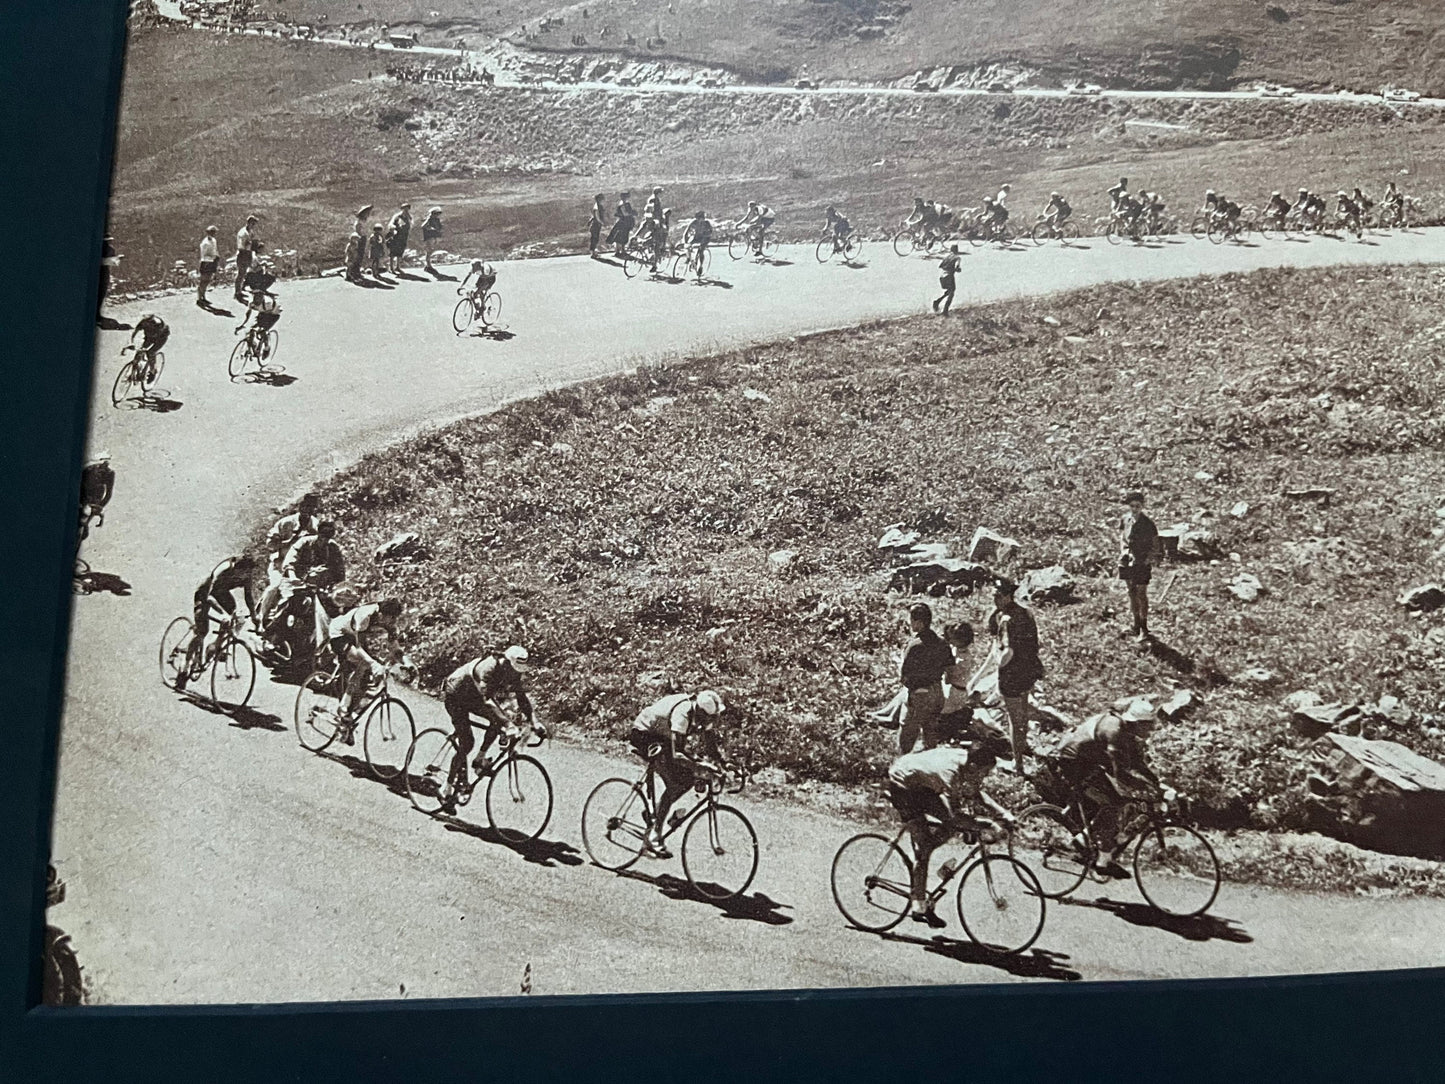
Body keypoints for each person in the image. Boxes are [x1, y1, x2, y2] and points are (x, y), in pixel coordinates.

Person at [886, 726, 1014, 925]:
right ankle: (918, 903)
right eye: (983, 774)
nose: (983, 778)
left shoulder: (969, 760)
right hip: (903, 784)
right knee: (932, 840)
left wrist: (1003, 814)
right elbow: (955, 815)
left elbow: (975, 793)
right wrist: (986, 824)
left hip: (922, 781)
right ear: (973, 768)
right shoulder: (951, 773)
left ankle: (920, 859)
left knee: (954, 825)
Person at [1054, 699, 1164, 877]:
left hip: (1089, 759)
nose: (1151, 730)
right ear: (1136, 723)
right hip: (1073, 761)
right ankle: (1099, 856)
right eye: (1148, 726)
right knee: (1114, 802)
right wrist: (1143, 788)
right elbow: (1119, 771)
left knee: (1120, 799)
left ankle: (1092, 842)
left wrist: (1155, 783)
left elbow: (1137, 763)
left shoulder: (1127, 731)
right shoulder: (1114, 732)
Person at [438, 647, 545, 814]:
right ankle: (446, 788)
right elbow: (488, 700)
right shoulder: (487, 668)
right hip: (455, 695)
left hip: (474, 698)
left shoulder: (512, 670)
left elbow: (521, 697)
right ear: (506, 662)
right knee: (467, 743)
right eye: (512, 669)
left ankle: (479, 759)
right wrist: (508, 726)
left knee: (500, 719)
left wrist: (534, 722)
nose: (514, 673)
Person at [629, 689, 726, 856]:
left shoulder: (702, 713)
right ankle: (653, 835)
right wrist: (701, 767)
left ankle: (653, 814)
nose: (712, 721)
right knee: (676, 781)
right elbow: (677, 755)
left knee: (687, 779)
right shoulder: (683, 713)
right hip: (645, 735)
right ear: (701, 713)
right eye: (710, 718)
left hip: (662, 736)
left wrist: (724, 763)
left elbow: (710, 743)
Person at [177, 553, 260, 690]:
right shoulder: (224, 570)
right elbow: (209, 596)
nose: (246, 577)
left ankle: (214, 647)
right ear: (236, 568)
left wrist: (254, 615)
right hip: (205, 593)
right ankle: (184, 668)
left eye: (248, 574)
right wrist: (222, 614)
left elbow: (248, 596)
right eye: (243, 574)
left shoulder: (247, 574)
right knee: (202, 632)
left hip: (222, 593)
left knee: (236, 619)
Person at [987, 580, 1043, 768]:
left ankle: (1017, 763)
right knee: (1023, 712)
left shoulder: (1006, 619)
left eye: (998, 596)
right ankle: (1023, 744)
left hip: (1012, 674)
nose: (995, 599)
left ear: (1007, 596)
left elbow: (1007, 652)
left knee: (1014, 718)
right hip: (1028, 669)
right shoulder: (1026, 612)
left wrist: (997, 662)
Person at [327, 598, 404, 726]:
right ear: (381, 615)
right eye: (392, 618)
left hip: (355, 636)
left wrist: (407, 663)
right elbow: (358, 647)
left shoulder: (387, 618)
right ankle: (343, 706)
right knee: (365, 663)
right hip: (339, 634)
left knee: (366, 679)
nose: (394, 622)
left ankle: (347, 720)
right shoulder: (365, 615)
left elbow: (395, 647)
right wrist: (374, 665)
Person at [897, 602, 954, 753]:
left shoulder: (915, 645)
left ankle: (903, 766)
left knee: (907, 735)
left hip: (920, 694)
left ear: (919, 623)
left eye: (911, 620)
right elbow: (950, 671)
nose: (909, 624)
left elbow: (904, 676)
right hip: (937, 692)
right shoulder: (943, 643)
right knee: (930, 733)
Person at [1118, 491, 1160, 642]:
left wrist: (1147, 560)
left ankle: (1144, 627)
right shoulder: (1125, 519)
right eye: (1132, 506)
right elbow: (1122, 537)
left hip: (1141, 562)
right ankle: (1135, 625)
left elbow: (1156, 546)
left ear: (1142, 506)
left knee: (1141, 594)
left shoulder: (1148, 524)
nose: (1135, 509)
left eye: (1138, 506)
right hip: (1126, 561)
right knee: (1131, 592)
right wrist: (1124, 551)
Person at [78, 452, 115, 540]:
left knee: (87, 518)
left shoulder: (110, 474)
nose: (104, 467)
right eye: (102, 464)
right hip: (83, 494)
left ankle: (84, 529)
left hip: (96, 498)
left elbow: (108, 494)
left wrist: (100, 506)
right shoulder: (88, 470)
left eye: (106, 464)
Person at [128, 313, 169, 384]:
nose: (146, 323)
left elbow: (157, 334)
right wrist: (132, 343)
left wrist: (145, 348)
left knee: (151, 353)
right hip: (149, 337)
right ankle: (135, 371)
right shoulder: (143, 322)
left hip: (160, 339)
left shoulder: (158, 323)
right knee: (139, 352)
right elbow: (135, 332)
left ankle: (153, 371)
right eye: (146, 321)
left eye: (149, 322)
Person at [234, 215, 259, 302]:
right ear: (248, 223)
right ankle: (237, 292)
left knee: (244, 273)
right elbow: (241, 246)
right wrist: (249, 245)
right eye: (252, 224)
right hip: (242, 254)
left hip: (248, 253)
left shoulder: (250, 232)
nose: (253, 226)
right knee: (240, 273)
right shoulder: (243, 233)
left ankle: (240, 290)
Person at [933, 244, 961, 316]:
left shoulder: (946, 257)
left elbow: (940, 266)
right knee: (951, 293)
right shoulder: (957, 258)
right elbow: (957, 267)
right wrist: (957, 269)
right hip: (949, 276)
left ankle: (937, 302)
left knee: (949, 291)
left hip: (942, 276)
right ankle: (945, 311)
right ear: (957, 250)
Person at [98, 234, 121, 319]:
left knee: (101, 293)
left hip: (104, 272)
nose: (107, 243)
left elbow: (115, 261)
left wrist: (114, 260)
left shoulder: (110, 249)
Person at [197, 225, 220, 306]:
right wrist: (212, 258)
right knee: (203, 281)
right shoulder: (205, 243)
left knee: (207, 281)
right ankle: (199, 298)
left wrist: (216, 256)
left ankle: (204, 297)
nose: (214, 234)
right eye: (212, 232)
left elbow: (215, 250)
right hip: (206, 262)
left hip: (212, 262)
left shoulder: (214, 240)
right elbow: (204, 255)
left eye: (214, 232)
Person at [607, 191, 635, 255]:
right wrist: (631, 213)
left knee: (624, 236)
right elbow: (625, 214)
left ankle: (622, 250)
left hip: (625, 221)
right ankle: (618, 250)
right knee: (619, 236)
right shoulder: (622, 204)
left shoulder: (625, 203)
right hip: (623, 222)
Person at [386, 203, 411, 273]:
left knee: (400, 251)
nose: (406, 210)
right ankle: (391, 267)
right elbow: (391, 224)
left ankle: (397, 267)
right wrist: (394, 230)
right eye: (405, 209)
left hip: (404, 236)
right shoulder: (397, 216)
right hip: (396, 236)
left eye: (407, 209)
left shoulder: (408, 217)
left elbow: (410, 224)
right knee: (393, 251)